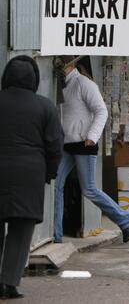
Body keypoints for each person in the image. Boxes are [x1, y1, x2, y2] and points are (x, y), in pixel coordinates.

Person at [0, 56, 63, 300]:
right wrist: (50, 173)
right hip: (30, 174)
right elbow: (55, 146)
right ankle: (10, 283)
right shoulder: (45, 106)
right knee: (21, 230)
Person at [54, 57, 129, 244]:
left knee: (88, 189)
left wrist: (92, 135)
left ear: (71, 64)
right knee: (56, 185)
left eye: (61, 64)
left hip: (84, 143)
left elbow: (101, 111)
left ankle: (124, 219)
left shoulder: (84, 83)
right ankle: (56, 235)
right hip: (67, 143)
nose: (58, 68)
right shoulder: (62, 84)